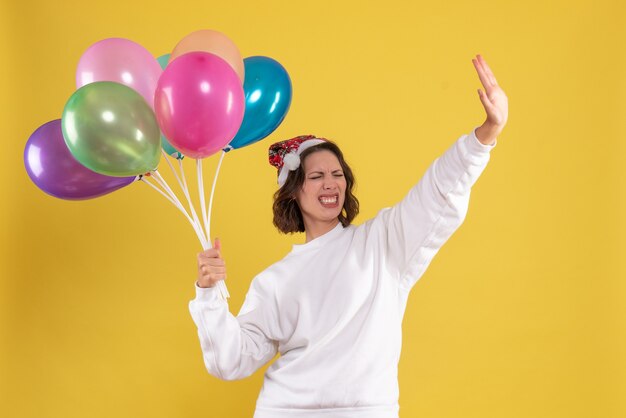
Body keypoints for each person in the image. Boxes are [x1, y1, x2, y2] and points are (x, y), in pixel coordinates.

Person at [189, 54, 508, 418]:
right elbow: (231, 362)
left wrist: (485, 135)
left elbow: (435, 194)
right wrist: (209, 294)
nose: (330, 183)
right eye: (316, 176)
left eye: (337, 174)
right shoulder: (273, 281)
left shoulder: (382, 244)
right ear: (294, 190)